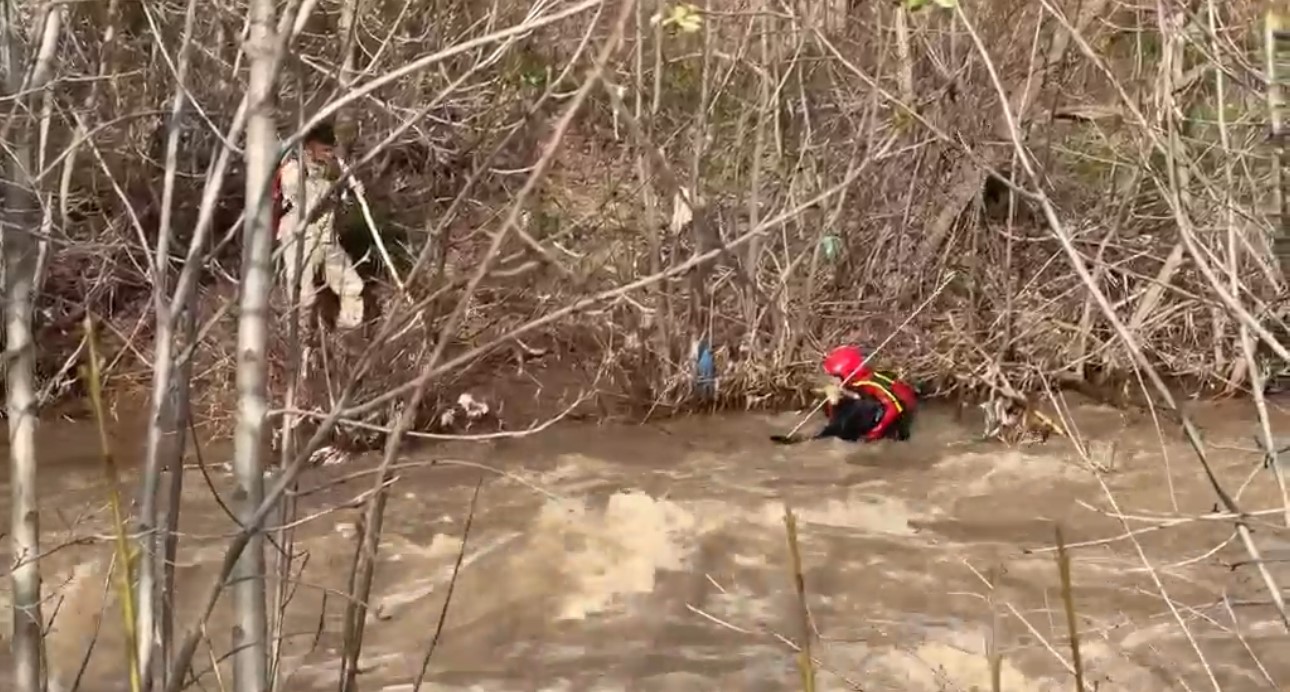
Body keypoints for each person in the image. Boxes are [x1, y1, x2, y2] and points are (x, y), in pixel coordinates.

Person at [272, 122, 365, 331]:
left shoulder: (327, 169)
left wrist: (350, 191)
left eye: (331, 149)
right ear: (309, 147)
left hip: (326, 238)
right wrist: (337, 185)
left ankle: (349, 335)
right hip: (300, 242)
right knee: (303, 298)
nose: (330, 154)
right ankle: (300, 342)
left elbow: (334, 202)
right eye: (325, 150)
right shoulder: (293, 172)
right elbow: (311, 205)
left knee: (352, 286)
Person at [817, 344, 918, 442]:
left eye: (834, 376)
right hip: (875, 404)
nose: (832, 380)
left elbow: (895, 408)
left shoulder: (870, 383)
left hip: (900, 412)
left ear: (847, 373)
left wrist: (874, 433)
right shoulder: (851, 383)